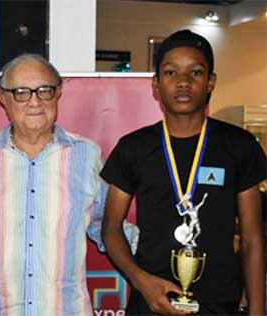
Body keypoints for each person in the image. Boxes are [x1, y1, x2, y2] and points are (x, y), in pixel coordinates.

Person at [101, 29, 265, 315]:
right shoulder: (133, 147)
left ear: (211, 81)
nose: (184, 82)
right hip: (151, 303)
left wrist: (258, 311)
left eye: (196, 72)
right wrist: (143, 283)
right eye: (171, 73)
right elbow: (111, 229)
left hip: (219, 304)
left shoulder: (239, 146)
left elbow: (252, 238)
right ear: (156, 85)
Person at [0, 54, 137, 315]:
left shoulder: (87, 156)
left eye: (44, 91)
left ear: (59, 93)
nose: (34, 102)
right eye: (21, 92)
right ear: (2, 97)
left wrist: (166, 255)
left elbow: (110, 226)